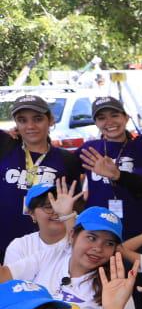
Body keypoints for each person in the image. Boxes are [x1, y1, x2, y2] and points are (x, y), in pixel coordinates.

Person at [0, 206, 141, 309]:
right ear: (73, 235)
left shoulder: (114, 284)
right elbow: (5, 276)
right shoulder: (51, 256)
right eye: (92, 238)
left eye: (109, 244)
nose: (98, 249)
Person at [77, 34, 142, 236]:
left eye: (114, 115)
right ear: (96, 123)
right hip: (98, 232)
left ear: (126, 118)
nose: (109, 122)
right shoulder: (89, 150)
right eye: (102, 118)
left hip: (138, 229)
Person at [0, 94, 81, 261]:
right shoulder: (5, 147)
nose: (30, 126)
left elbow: (75, 207)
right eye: (22, 120)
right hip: (4, 245)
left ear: (50, 120)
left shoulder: (67, 160)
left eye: (37, 119)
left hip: (47, 250)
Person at [3, 179, 79, 266]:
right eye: (48, 207)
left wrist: (68, 216)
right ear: (32, 214)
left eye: (60, 205)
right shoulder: (20, 246)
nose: (57, 211)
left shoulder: (82, 240)